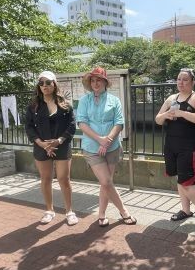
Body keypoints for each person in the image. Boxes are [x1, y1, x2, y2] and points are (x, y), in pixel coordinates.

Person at [76, 66, 136, 227]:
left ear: (105, 82)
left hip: (112, 147)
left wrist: (107, 140)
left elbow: (119, 122)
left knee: (106, 183)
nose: (95, 83)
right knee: (106, 182)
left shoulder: (114, 100)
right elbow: (82, 123)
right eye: (93, 80)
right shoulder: (84, 100)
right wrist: (99, 140)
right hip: (91, 147)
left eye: (99, 80)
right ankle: (124, 211)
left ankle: (101, 214)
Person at [155, 68, 195, 230]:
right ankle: (186, 210)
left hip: (191, 145)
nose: (181, 82)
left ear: (192, 82)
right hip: (172, 144)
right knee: (180, 178)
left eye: (185, 80)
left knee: (189, 182)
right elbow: (158, 119)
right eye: (179, 79)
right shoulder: (171, 98)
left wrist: (181, 113)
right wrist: (166, 115)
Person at [24, 70, 78, 225]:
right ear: (38, 86)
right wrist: (41, 143)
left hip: (61, 145)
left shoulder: (65, 105)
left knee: (63, 179)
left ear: (54, 84)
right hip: (41, 146)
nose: (45, 86)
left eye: (48, 82)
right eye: (41, 83)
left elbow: (72, 126)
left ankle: (69, 211)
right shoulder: (34, 106)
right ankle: (49, 210)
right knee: (46, 179)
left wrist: (60, 140)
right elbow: (28, 127)